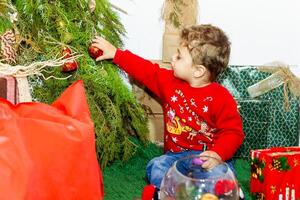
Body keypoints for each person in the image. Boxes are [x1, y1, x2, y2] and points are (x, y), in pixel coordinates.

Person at [92, 24, 245, 200]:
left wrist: (217, 154)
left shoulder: (221, 97)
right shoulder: (169, 82)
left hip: (207, 158)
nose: (173, 58)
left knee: (225, 173)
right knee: (156, 166)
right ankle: (171, 194)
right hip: (175, 158)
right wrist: (116, 54)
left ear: (198, 71)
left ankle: (219, 193)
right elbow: (146, 70)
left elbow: (233, 132)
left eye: (179, 56)